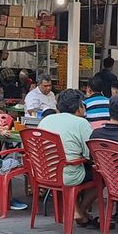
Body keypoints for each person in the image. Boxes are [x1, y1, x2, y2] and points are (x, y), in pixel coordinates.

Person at [39, 89, 97, 223]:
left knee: (73, 163)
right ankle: (79, 211)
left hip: (45, 172)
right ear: (79, 107)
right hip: (68, 174)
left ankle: (77, 211)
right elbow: (91, 154)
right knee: (102, 177)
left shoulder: (46, 120)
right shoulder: (81, 123)